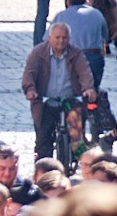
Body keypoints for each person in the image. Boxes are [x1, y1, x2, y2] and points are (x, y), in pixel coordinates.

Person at [22, 22, 93, 166]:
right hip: (45, 100)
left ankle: (76, 155)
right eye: (57, 37)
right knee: (43, 137)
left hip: (69, 99)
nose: (61, 41)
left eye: (64, 38)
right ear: (50, 38)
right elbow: (29, 73)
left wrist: (88, 88)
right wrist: (30, 90)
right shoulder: (38, 53)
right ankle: (43, 166)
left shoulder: (75, 53)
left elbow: (84, 72)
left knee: (76, 130)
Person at [52, 0, 108, 93]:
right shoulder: (97, 14)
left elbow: (49, 39)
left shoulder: (61, 16)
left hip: (69, 57)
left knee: (69, 92)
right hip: (93, 57)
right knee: (92, 91)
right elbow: (105, 36)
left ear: (68, 1)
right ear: (86, 0)